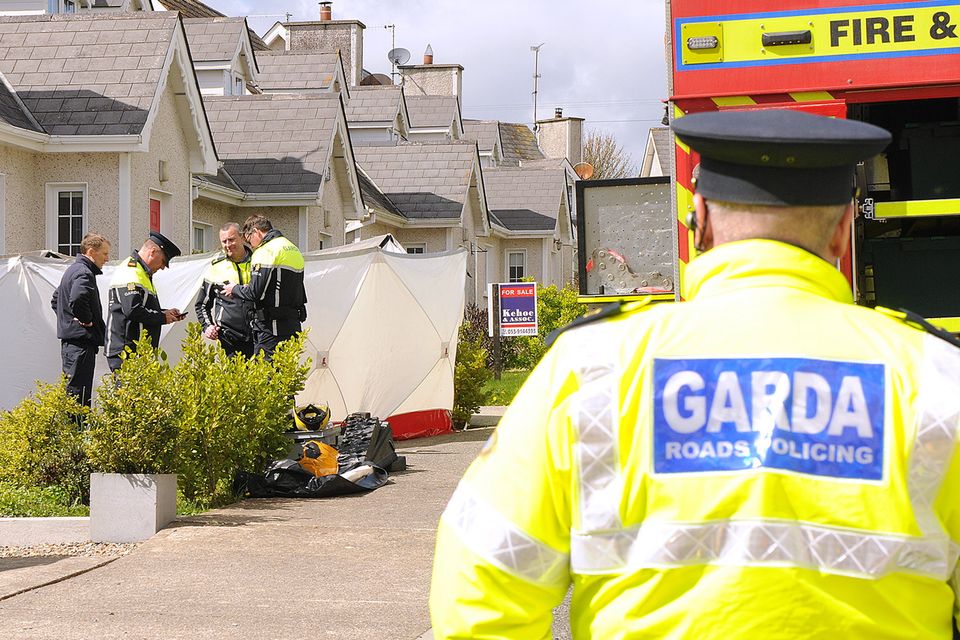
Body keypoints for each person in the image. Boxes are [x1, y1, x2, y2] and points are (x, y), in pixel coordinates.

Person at [430, 110, 960, 639]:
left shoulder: (592, 369)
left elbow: (477, 595)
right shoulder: (936, 376)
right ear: (845, 230)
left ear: (699, 217)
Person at [223, 215, 306, 360]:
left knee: (266, 379)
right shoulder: (292, 248)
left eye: (249, 240)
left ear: (256, 231)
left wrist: (234, 289)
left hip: (271, 330)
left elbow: (255, 293)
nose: (252, 246)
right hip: (293, 326)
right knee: (287, 377)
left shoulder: (265, 250)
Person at [105, 231, 186, 372]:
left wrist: (164, 312)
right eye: (163, 261)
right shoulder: (131, 271)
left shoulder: (142, 272)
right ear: (153, 252)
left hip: (137, 351)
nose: (162, 267)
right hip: (127, 351)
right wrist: (162, 317)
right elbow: (133, 310)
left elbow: (142, 307)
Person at [50, 233, 110, 406]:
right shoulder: (84, 272)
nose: (107, 259)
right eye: (104, 254)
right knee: (78, 397)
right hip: (80, 345)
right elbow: (77, 299)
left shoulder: (74, 270)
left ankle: (73, 431)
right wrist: (85, 320)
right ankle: (77, 432)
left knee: (73, 393)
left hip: (72, 345)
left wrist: (68, 320)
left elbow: (56, 299)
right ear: (91, 252)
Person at [194, 222, 254, 358]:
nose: (228, 245)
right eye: (224, 241)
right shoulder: (216, 267)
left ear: (242, 237)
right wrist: (207, 326)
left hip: (257, 335)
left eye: (231, 239)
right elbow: (201, 304)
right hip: (228, 339)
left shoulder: (257, 262)